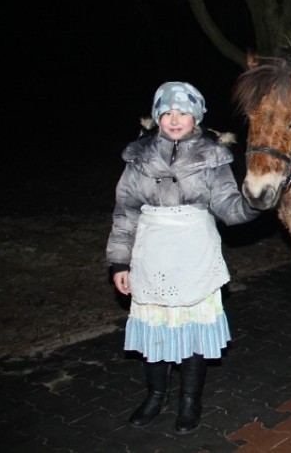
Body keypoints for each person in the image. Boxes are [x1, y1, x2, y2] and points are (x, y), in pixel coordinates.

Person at [106, 81, 260, 434]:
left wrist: (255, 202)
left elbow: (228, 207)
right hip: (151, 252)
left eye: (184, 112)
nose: (175, 119)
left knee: (192, 332)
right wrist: (119, 262)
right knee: (155, 330)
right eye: (167, 112)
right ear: (157, 115)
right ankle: (155, 395)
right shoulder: (139, 155)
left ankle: (190, 400)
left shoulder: (212, 155)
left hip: (195, 252)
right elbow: (125, 211)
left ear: (197, 116)